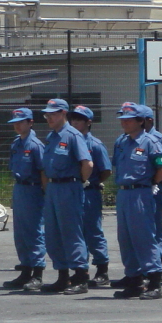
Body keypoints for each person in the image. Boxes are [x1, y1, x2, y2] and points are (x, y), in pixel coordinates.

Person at [112, 101, 162, 300]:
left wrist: (153, 183)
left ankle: (154, 282)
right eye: (123, 119)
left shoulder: (150, 142)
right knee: (125, 238)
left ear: (140, 121)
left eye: (128, 120)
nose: (124, 123)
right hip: (124, 193)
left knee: (144, 237)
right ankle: (134, 280)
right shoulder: (122, 142)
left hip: (141, 193)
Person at [40, 98, 93, 294]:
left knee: (71, 232)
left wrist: (80, 182)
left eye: (53, 114)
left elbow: (87, 164)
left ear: (63, 114)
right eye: (47, 114)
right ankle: (63, 276)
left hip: (69, 187)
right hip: (53, 189)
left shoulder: (72, 135)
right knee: (53, 234)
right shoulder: (51, 137)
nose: (49, 118)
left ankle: (80, 276)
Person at [69, 105, 113, 288]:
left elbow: (105, 170)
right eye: (73, 119)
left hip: (89, 192)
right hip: (72, 192)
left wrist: (92, 182)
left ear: (89, 122)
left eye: (79, 119)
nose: (75, 122)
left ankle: (102, 270)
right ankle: (81, 270)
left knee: (93, 231)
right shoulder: (70, 141)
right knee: (75, 231)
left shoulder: (94, 144)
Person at [3, 107, 46, 291]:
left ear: (30, 122)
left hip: (34, 189)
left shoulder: (35, 145)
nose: (17, 126)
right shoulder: (16, 144)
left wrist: (45, 193)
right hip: (20, 188)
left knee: (34, 231)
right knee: (20, 232)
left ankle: (37, 273)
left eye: (21, 122)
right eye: (15, 123)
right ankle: (25, 269)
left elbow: (43, 172)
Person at [142, 107, 162, 280]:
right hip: (137, 191)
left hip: (153, 190)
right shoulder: (129, 139)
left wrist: (159, 183)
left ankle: (161, 265)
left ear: (149, 120)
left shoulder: (158, 139)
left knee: (155, 228)